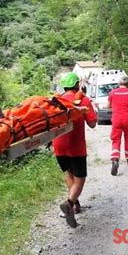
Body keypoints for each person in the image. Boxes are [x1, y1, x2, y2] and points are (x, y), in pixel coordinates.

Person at [52, 72, 97, 228]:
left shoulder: (56, 101)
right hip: (76, 147)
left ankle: (76, 206)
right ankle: (69, 204)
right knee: (80, 179)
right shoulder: (83, 100)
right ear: (77, 85)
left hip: (58, 145)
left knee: (68, 174)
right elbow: (92, 124)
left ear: (64, 86)